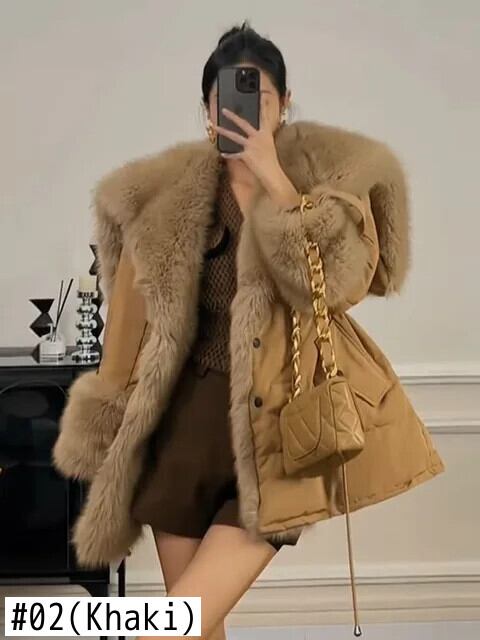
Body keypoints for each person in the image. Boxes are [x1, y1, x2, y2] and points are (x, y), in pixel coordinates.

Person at [52, 21, 445, 640]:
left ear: (285, 103)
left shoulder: (327, 185)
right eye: (225, 100)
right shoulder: (165, 200)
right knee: (196, 627)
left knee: (175, 623)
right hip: (181, 439)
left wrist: (277, 182)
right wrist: (104, 426)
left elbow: (341, 285)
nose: (242, 113)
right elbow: (128, 324)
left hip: (276, 438)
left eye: (258, 99)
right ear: (207, 110)